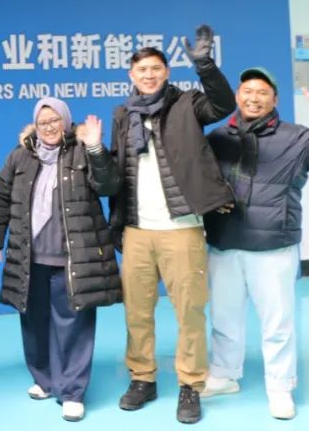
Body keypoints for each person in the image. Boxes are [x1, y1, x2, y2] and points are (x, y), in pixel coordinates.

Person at [202, 65, 309, 419]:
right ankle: (224, 374)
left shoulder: (295, 138)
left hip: (273, 248)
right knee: (223, 317)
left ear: (275, 100)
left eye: (262, 93)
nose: (254, 98)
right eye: (248, 91)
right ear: (237, 96)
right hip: (224, 243)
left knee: (277, 323)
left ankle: (280, 387)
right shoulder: (219, 138)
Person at [108, 25, 236, 424]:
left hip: (182, 227)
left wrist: (204, 64)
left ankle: (190, 385)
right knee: (137, 311)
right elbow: (117, 168)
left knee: (190, 312)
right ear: (131, 75)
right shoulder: (122, 115)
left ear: (166, 72)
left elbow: (223, 103)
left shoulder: (187, 104)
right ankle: (142, 378)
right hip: (137, 230)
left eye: (155, 69)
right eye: (141, 70)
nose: (148, 75)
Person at [0, 98, 121, 422]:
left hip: (72, 259)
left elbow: (109, 185)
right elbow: (1, 197)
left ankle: (72, 391)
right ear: (35, 126)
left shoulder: (82, 151)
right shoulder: (20, 156)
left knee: (74, 324)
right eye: (43, 122)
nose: (49, 127)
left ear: (66, 123)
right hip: (30, 258)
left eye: (55, 120)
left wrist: (96, 148)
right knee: (34, 322)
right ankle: (44, 379)